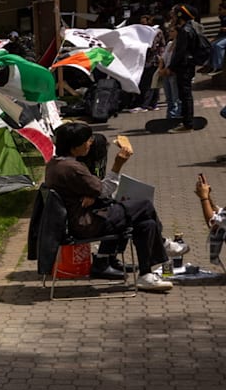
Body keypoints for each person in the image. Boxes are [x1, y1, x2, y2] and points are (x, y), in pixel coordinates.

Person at [43, 122, 172, 292]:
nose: (91, 143)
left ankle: (146, 274)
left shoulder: (55, 164)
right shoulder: (72, 168)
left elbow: (87, 189)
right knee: (145, 206)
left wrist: (91, 194)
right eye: (87, 140)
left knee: (147, 224)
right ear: (74, 147)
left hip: (76, 220)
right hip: (86, 224)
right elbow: (104, 190)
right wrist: (118, 164)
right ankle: (164, 244)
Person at [166, 4, 205, 130]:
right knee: (184, 95)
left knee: (185, 95)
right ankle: (185, 121)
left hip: (184, 66)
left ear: (180, 16)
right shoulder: (188, 28)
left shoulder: (185, 30)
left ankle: (187, 124)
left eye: (174, 14)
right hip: (187, 65)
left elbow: (180, 52)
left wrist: (171, 67)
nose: (172, 17)